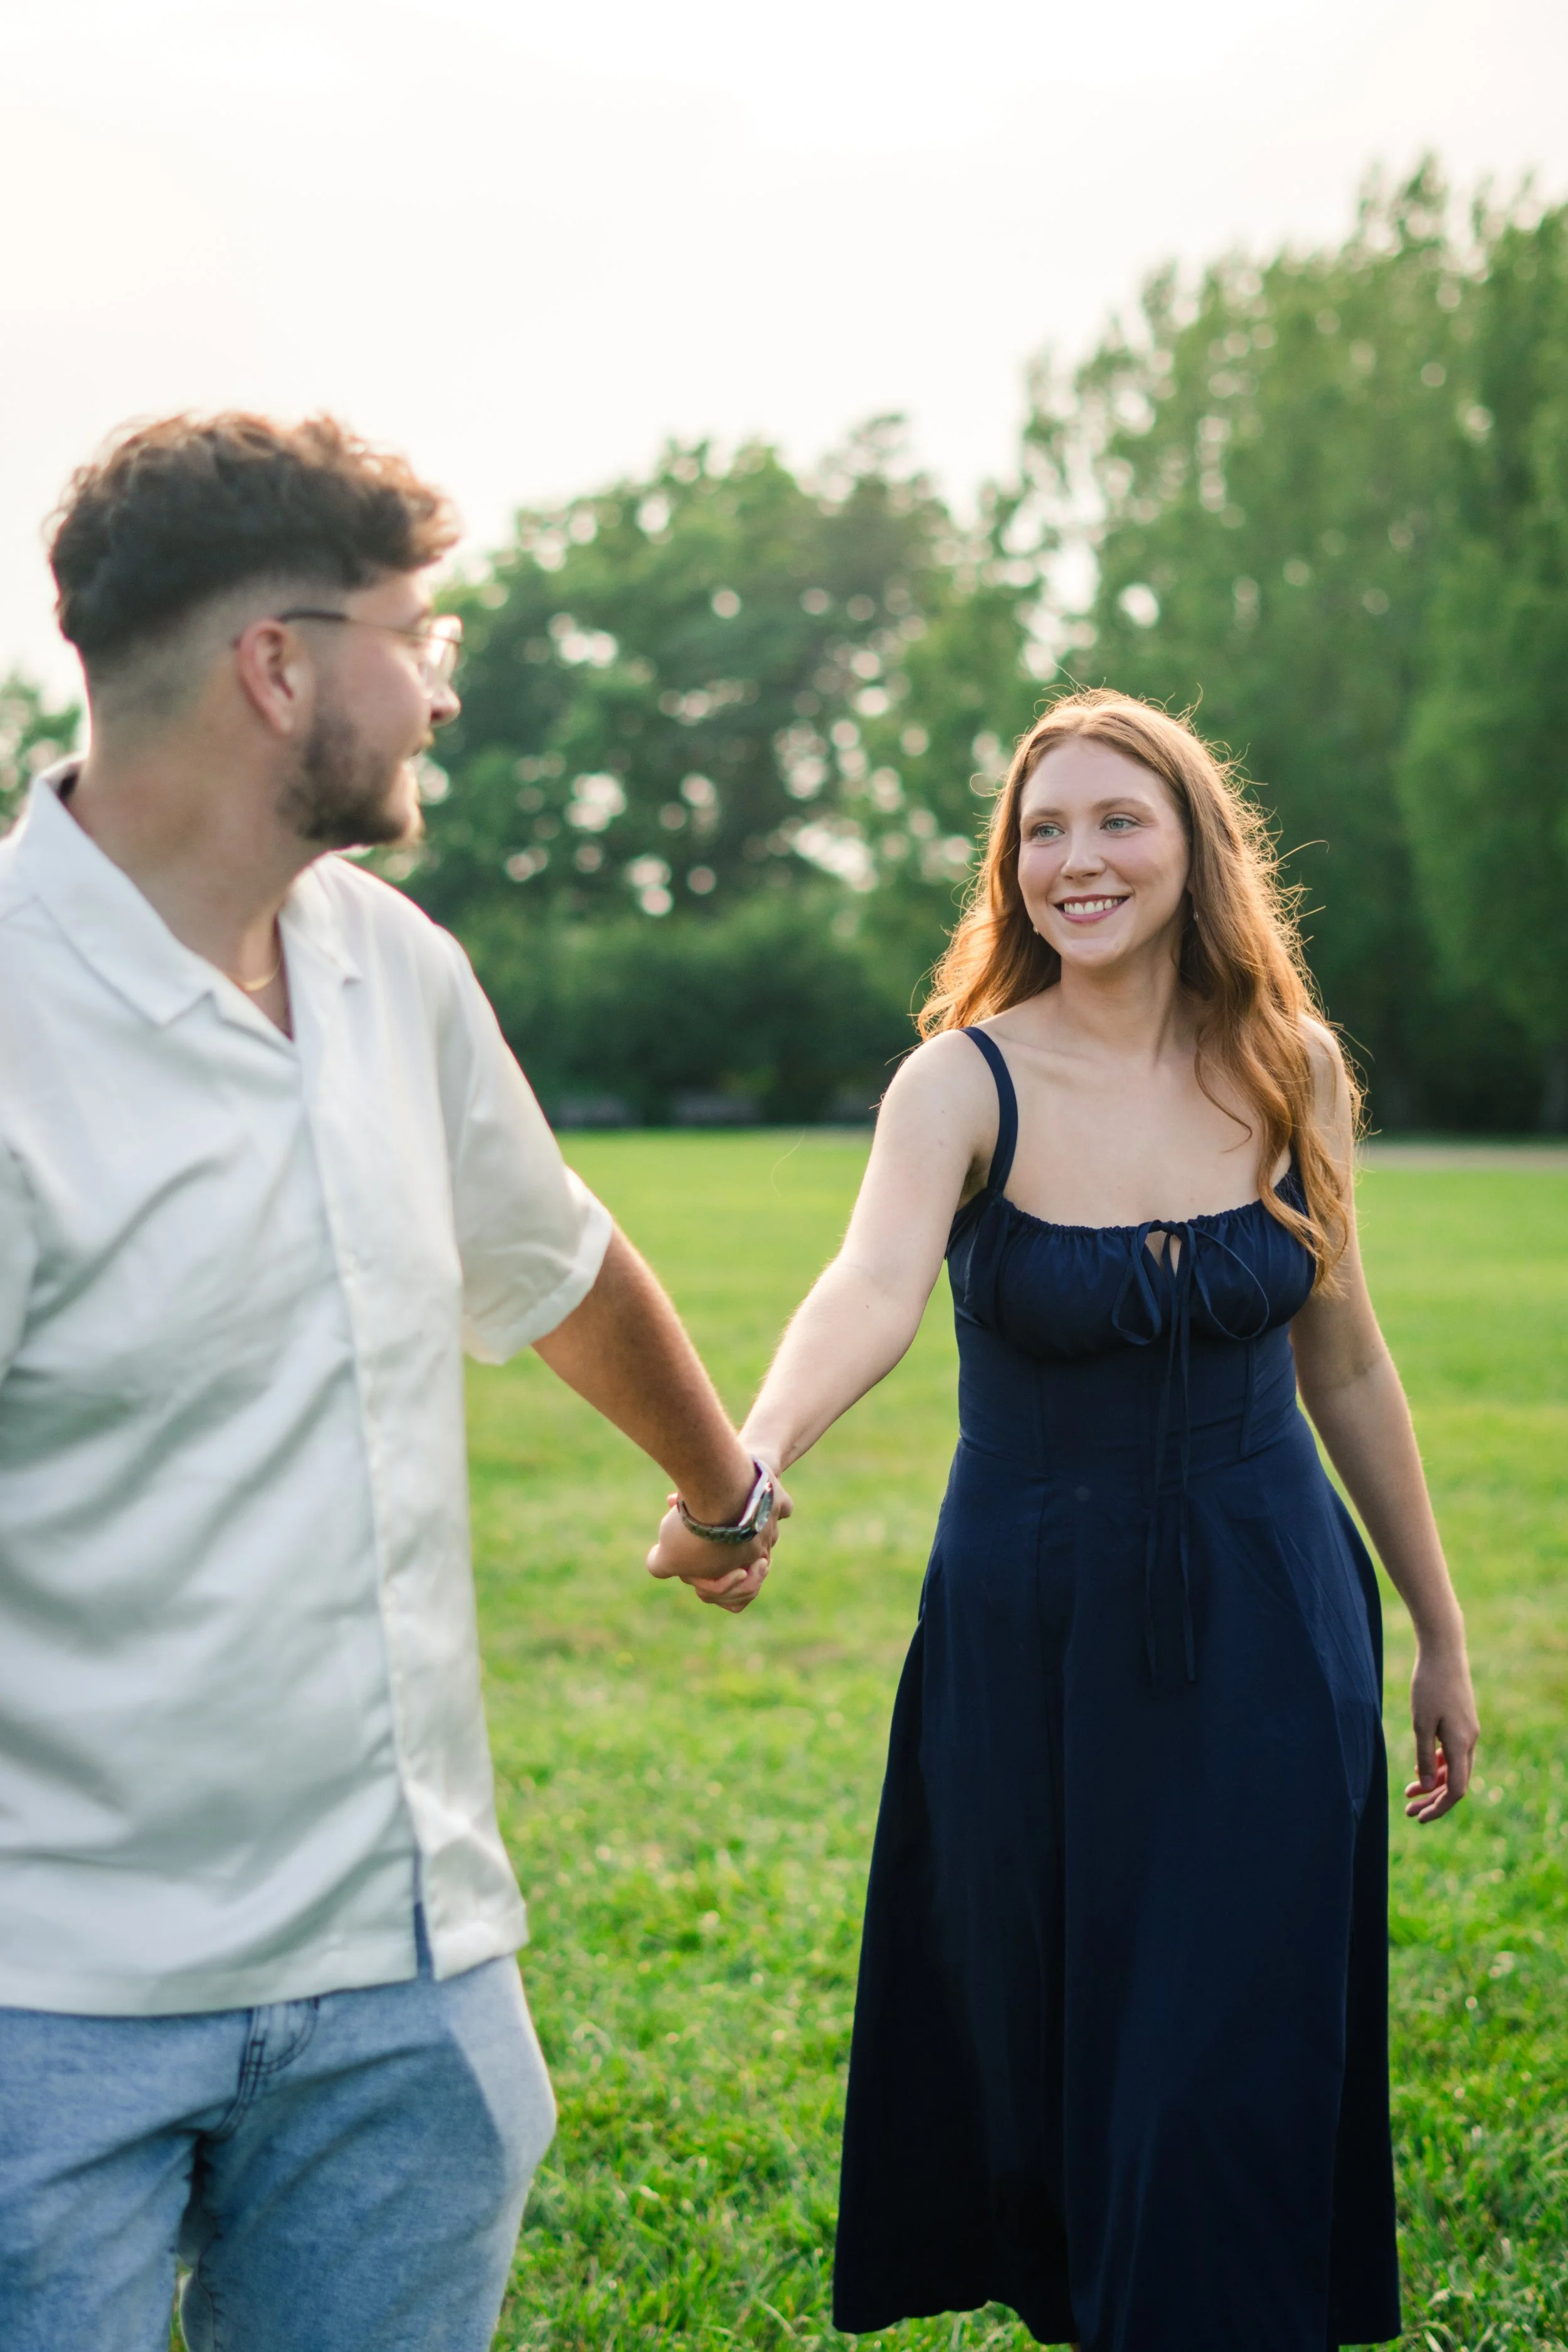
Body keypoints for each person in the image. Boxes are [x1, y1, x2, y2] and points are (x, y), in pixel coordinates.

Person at [0, 412, 780, 2352]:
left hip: (409, 1991)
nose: (440, 686)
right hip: (49, 2015)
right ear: (280, 663)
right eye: (417, 633)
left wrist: (720, 1489)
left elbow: (557, 1256)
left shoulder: (390, 968)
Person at [662, 689, 1480, 2350]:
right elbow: (869, 1287)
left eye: (1118, 819)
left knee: (1225, 2054)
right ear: (1006, 863)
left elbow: (1345, 1360)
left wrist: (1439, 1631)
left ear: (1195, 844)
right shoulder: (959, 1084)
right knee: (1068, 2052)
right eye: (1042, 828)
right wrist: (749, 1457)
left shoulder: (1290, 1068)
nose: (1075, 858)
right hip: (1032, 1631)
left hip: (1272, 1619)